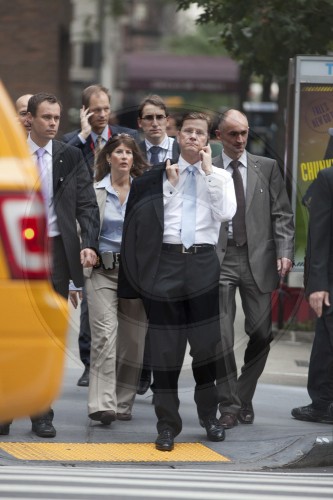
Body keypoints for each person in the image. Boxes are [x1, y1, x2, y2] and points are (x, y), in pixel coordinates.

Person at [118, 111, 237, 451]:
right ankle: (167, 425)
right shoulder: (153, 178)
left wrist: (209, 172)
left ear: (209, 139)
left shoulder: (220, 178)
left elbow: (225, 214)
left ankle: (208, 416)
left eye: (200, 133)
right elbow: (136, 230)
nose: (193, 138)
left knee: (205, 349)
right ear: (178, 134)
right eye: (188, 131)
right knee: (165, 353)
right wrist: (169, 188)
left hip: (202, 262)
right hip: (166, 264)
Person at [0, 92, 100, 438]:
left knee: (46, 335)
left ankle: (42, 413)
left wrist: (88, 244)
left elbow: (87, 205)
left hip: (55, 252)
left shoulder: (71, 156)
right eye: (46, 117)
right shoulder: (9, 155)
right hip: (15, 251)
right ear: (30, 118)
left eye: (57, 118)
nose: (53, 123)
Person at [212, 109, 295, 429]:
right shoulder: (209, 168)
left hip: (257, 259)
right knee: (220, 337)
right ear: (219, 136)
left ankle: (242, 396)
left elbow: (283, 215)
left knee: (261, 333)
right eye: (233, 134)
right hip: (220, 259)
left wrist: (285, 251)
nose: (240, 139)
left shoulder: (267, 168)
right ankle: (229, 405)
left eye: (244, 133)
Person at [62, 84, 139, 387]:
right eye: (96, 109)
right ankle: (89, 363)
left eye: (107, 108)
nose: (103, 115)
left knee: (124, 312)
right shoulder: (72, 142)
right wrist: (82, 138)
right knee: (91, 308)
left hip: (117, 230)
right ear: (85, 111)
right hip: (85, 226)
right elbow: (64, 169)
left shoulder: (124, 138)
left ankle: (122, 369)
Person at [82, 134, 149, 425]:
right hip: (101, 272)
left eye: (129, 153)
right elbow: (83, 229)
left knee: (133, 342)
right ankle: (102, 404)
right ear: (108, 157)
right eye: (118, 152)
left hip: (135, 274)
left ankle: (122, 403)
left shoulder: (143, 193)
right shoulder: (94, 191)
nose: (123, 157)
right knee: (105, 335)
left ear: (134, 160)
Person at [136, 94, 180, 395]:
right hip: (140, 244)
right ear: (140, 123)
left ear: (167, 121)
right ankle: (141, 368)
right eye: (148, 118)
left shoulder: (181, 151)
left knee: (163, 315)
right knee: (140, 312)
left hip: (172, 244)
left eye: (159, 117)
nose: (154, 123)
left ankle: (157, 377)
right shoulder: (131, 152)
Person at [291, 167, 333, 424]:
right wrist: (318, 284)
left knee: (325, 341)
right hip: (330, 279)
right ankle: (321, 402)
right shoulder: (328, 177)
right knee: (325, 340)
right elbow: (318, 234)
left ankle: (321, 403)